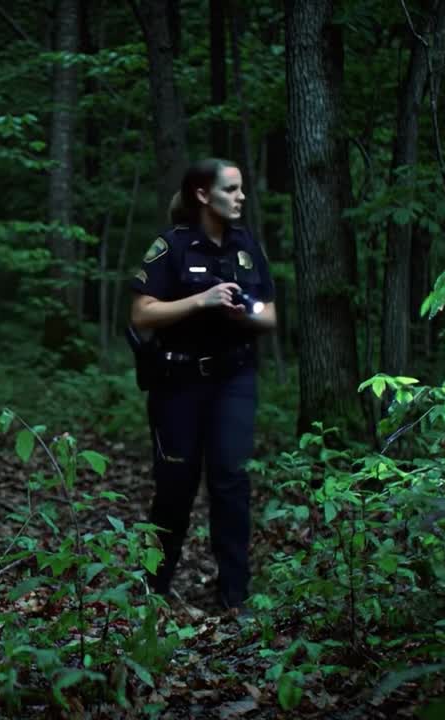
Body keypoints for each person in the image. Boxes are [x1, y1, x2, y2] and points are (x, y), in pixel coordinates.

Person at [128, 157, 277, 612]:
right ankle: (152, 593)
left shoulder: (246, 246)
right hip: (179, 382)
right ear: (202, 194)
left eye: (241, 188)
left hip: (234, 379)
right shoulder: (171, 246)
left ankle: (234, 596)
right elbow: (142, 313)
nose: (241, 197)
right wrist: (201, 301)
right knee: (175, 486)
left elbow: (270, 315)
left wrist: (242, 313)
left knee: (231, 482)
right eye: (231, 189)